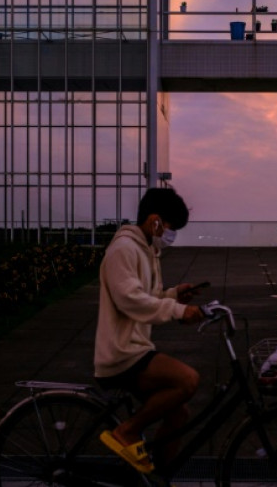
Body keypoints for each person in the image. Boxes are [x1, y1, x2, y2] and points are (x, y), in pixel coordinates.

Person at [94, 187, 205, 473]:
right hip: (121, 353)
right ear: (155, 220)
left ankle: (161, 478)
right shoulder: (123, 249)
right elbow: (130, 300)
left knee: (178, 414)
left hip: (135, 348)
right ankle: (127, 431)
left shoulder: (146, 250)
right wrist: (179, 311)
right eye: (170, 227)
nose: (171, 234)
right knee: (188, 381)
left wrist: (173, 295)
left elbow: (148, 297)